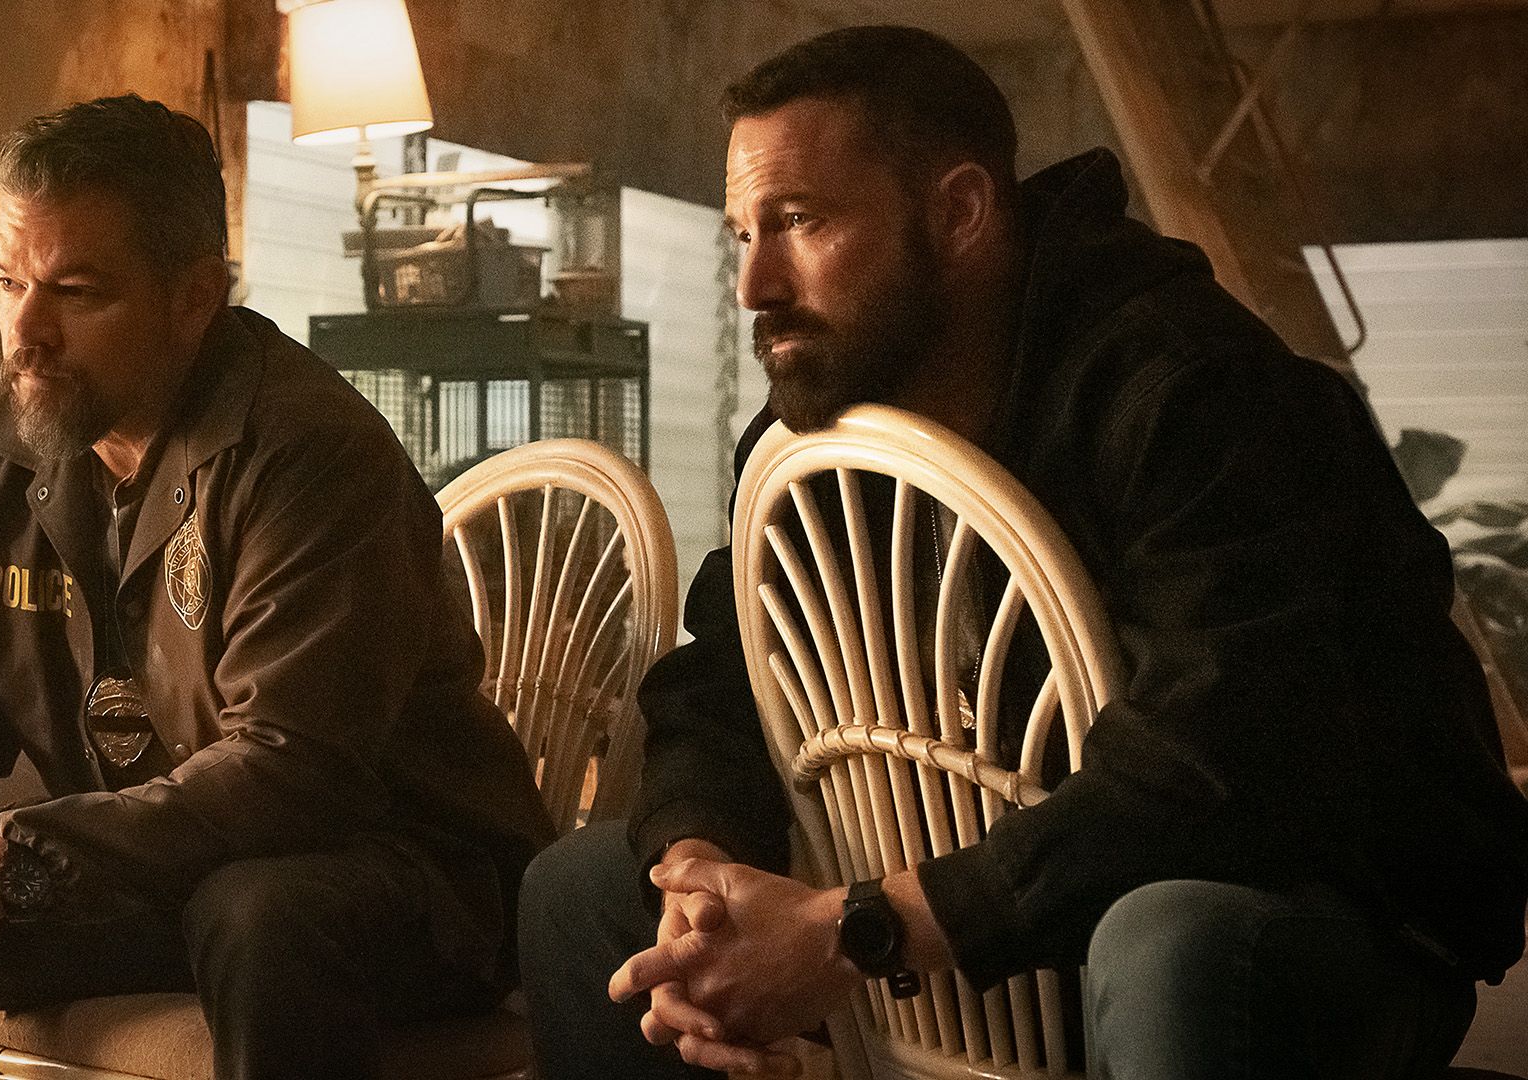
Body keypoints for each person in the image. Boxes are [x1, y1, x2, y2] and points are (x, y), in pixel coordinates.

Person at [520, 25, 1528, 1079]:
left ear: (960, 212)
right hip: (978, 895)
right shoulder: (816, 432)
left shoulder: (1195, 392)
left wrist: (854, 930)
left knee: (1166, 943)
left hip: (1301, 908)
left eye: (802, 221)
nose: (754, 285)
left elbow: (1219, 768)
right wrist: (697, 872)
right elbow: (722, 682)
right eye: (742, 234)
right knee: (582, 893)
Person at [0, 94, 555, 1080]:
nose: (25, 330)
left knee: (256, 911)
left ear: (194, 296)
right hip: (140, 874)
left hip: (397, 877)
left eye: (77, 292)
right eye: (7, 281)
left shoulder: (312, 454)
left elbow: (293, 774)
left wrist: (7, 865)